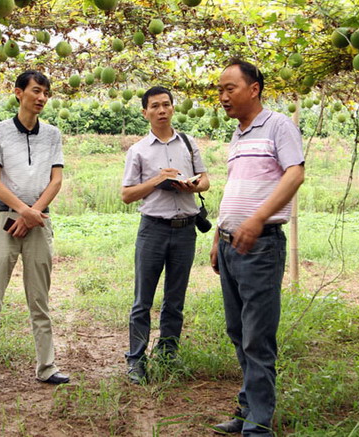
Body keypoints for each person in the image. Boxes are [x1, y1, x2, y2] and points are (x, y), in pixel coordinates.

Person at [0, 69, 69, 394]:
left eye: (46, 93)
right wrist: (24, 210)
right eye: (36, 91)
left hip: (39, 221)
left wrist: (33, 214)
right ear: (19, 92)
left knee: (39, 299)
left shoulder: (52, 134)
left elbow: (56, 180)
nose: (42, 98)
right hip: (4, 219)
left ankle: (47, 367)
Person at [210, 60, 304, 435]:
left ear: (254, 89)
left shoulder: (279, 125)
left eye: (230, 88)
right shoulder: (238, 135)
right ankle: (249, 408)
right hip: (231, 245)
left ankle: (257, 426)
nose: (223, 96)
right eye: (220, 90)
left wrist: (257, 218)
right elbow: (234, 189)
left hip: (261, 246)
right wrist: (218, 236)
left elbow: (295, 174)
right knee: (238, 332)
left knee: (257, 338)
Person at [120, 86, 210, 384]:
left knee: (175, 299)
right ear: (145, 112)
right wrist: (158, 180)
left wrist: (193, 185)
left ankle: (168, 355)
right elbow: (127, 195)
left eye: (166, 105)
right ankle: (136, 359)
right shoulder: (138, 150)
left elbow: (205, 180)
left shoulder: (188, 143)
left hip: (185, 230)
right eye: (155, 106)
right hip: (153, 230)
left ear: (173, 108)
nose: (161, 110)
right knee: (142, 300)